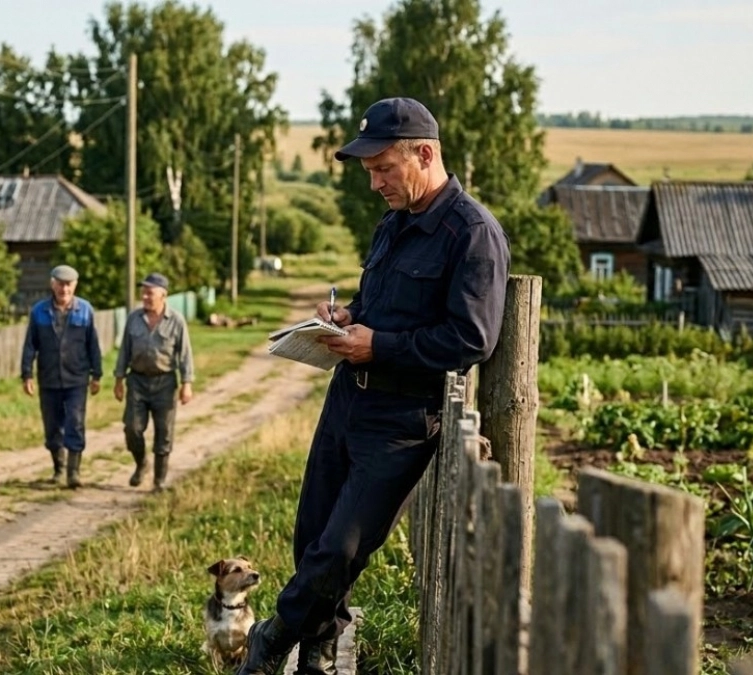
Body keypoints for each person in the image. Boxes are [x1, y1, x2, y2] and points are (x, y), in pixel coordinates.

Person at [236, 97, 510, 674]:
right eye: (369, 171)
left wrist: (377, 344)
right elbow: (383, 305)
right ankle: (316, 655)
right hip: (347, 400)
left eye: (384, 169)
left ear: (425, 155)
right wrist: (345, 319)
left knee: (344, 546)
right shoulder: (394, 221)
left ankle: (274, 636)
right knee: (313, 535)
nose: (375, 183)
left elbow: (471, 339)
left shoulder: (472, 234)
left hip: (402, 420)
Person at [20, 264, 103, 488]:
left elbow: (93, 345)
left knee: (75, 423)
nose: (64, 288)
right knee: (52, 425)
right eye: (60, 283)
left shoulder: (85, 310)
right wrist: (26, 374)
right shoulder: (39, 311)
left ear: (74, 286)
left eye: (68, 284)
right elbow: (30, 345)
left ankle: (73, 473)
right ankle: (58, 470)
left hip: (77, 378)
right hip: (48, 379)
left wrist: (97, 375)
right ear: (52, 284)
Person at [113, 272, 195, 491]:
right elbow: (124, 350)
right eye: (144, 292)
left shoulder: (176, 320)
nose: (145, 297)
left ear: (163, 295)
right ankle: (141, 464)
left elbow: (185, 353)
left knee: (164, 433)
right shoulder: (134, 318)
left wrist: (187, 383)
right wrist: (119, 379)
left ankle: (159, 481)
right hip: (137, 381)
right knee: (132, 428)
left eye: (150, 293)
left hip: (164, 382)